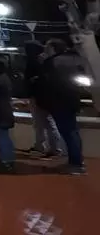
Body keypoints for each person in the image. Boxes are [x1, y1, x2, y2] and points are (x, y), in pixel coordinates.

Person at [39, 39, 87, 175]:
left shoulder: (51, 62)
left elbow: (47, 84)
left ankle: (76, 164)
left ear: (53, 49)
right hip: (72, 100)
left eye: (47, 47)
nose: (45, 50)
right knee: (73, 132)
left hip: (58, 102)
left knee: (68, 132)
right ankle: (77, 161)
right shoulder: (74, 59)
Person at [25, 41, 63, 158]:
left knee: (44, 123)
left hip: (41, 96)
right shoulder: (44, 60)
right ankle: (45, 146)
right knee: (44, 123)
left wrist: (34, 80)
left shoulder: (40, 61)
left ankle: (53, 148)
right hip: (43, 96)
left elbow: (42, 79)